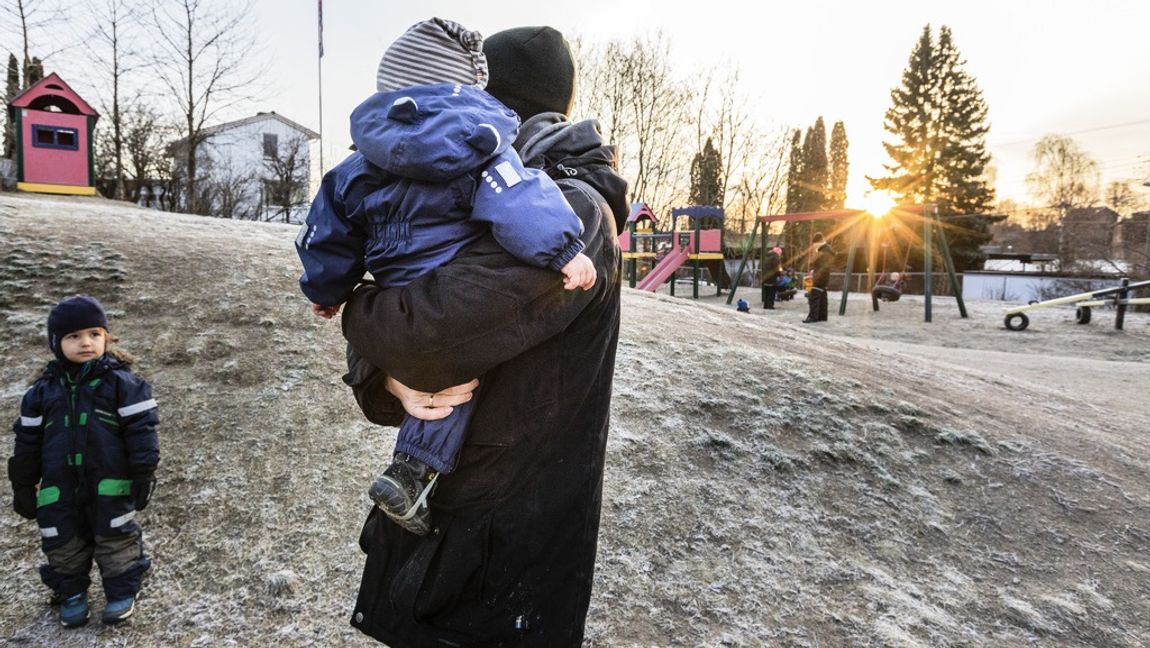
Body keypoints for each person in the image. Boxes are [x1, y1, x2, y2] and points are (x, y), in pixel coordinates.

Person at [337, 24, 628, 647]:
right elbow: (415, 345)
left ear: (494, 104)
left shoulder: (569, 212)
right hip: (446, 529)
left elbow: (424, 335)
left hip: (500, 554)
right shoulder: (463, 197)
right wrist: (384, 378)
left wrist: (353, 309)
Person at [294, 18, 597, 535]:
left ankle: (412, 471)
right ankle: (414, 471)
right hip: (482, 518)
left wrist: (337, 295)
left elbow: (333, 240)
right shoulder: (493, 163)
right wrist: (389, 377)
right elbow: (429, 338)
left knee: (456, 376)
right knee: (457, 381)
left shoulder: (579, 204)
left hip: (501, 513)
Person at [7, 295, 159, 627]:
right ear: (55, 343)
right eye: (73, 337)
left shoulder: (123, 384)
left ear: (106, 336)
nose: (85, 342)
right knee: (61, 540)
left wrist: (143, 471)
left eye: (94, 333)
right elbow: (27, 442)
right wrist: (21, 483)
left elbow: (141, 431)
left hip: (110, 481)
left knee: (116, 536)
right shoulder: (41, 392)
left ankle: (121, 590)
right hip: (58, 486)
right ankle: (71, 593)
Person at [804, 232, 835, 323]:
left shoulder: (824, 251)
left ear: (818, 242)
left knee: (813, 296)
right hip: (824, 277)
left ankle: (813, 317)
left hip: (820, 277)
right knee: (822, 296)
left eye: (815, 244)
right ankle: (822, 316)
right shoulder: (827, 250)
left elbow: (822, 266)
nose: (814, 246)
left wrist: (815, 274)